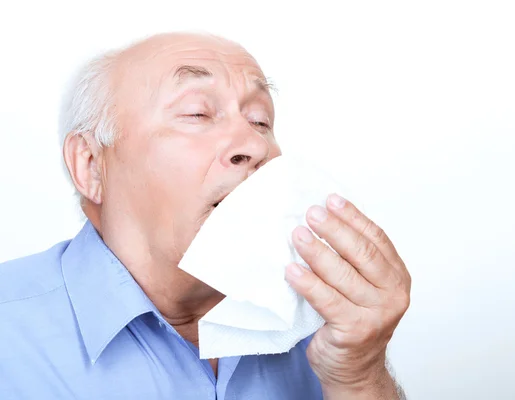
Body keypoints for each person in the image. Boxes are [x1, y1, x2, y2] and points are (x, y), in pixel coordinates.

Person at [0, 32, 411, 399]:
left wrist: (360, 378)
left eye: (260, 120)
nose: (254, 144)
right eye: (198, 113)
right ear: (91, 165)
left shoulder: (322, 328)